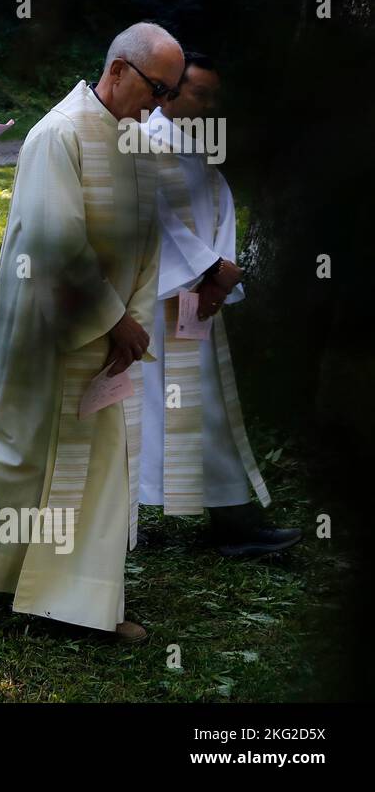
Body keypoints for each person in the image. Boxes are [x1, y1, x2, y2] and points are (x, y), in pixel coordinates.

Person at [0, 22, 184, 643]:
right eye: (155, 87)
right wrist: (113, 319)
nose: (160, 102)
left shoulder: (135, 140)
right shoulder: (60, 133)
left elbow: (146, 234)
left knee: (99, 465)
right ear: (117, 70)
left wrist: (131, 316)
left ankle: (74, 603)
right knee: (25, 459)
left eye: (170, 91)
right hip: (54, 329)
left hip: (111, 333)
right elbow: (56, 241)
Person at [139, 51, 301, 556]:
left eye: (213, 97)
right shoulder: (144, 143)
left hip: (197, 295)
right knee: (148, 407)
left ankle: (230, 519)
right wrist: (207, 268)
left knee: (203, 402)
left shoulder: (198, 146)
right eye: (198, 94)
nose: (208, 105)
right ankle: (134, 518)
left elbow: (220, 208)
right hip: (160, 295)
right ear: (170, 91)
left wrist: (221, 275)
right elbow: (152, 215)